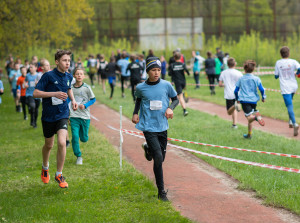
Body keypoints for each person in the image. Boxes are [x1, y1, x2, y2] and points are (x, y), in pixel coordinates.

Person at [132, 56, 179, 201]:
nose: (157, 73)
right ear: (148, 71)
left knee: (161, 158)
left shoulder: (166, 85)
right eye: (153, 70)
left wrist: (171, 108)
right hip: (148, 126)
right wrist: (135, 113)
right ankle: (161, 192)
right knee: (158, 158)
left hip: (162, 125)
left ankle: (148, 148)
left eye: (158, 70)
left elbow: (176, 99)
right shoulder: (140, 87)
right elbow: (139, 99)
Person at [33, 49, 78, 188]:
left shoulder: (69, 76)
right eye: (64, 60)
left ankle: (59, 174)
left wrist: (73, 99)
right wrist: (54, 93)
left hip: (62, 114)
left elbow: (68, 88)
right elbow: (35, 93)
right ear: (57, 62)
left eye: (69, 61)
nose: (67, 63)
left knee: (62, 142)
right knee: (49, 145)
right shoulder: (48, 76)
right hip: (48, 116)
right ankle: (45, 168)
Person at [69, 67, 96, 165]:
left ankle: (83, 135)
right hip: (74, 115)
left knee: (84, 138)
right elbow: (68, 100)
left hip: (85, 116)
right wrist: (68, 113)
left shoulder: (87, 88)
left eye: (81, 74)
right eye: (77, 74)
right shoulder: (70, 88)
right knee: (75, 137)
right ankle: (78, 156)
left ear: (84, 76)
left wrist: (85, 105)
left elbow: (93, 99)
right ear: (74, 76)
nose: (79, 75)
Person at [234, 60, 266, 139]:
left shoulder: (241, 79)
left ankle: (256, 118)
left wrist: (237, 99)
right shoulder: (256, 78)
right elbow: (261, 89)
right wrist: (263, 97)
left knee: (249, 117)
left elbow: (235, 90)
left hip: (245, 100)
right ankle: (249, 134)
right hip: (254, 100)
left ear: (244, 69)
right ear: (253, 69)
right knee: (250, 117)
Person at [275, 46, 300, 136]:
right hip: (293, 86)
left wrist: (280, 74)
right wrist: (297, 73)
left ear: (281, 54)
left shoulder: (278, 63)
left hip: (285, 87)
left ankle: (295, 123)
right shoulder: (293, 61)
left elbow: (276, 76)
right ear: (288, 53)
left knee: (289, 106)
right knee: (290, 103)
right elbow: (299, 68)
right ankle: (290, 121)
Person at [219, 58, 243, 129]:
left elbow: (220, 84)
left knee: (229, 112)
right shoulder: (239, 73)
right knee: (234, 110)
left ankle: (234, 123)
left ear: (227, 64)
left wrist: (224, 84)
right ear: (235, 64)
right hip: (237, 93)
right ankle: (234, 124)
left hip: (229, 94)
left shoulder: (223, 72)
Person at [169, 52, 190, 116]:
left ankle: (185, 110)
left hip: (177, 83)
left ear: (174, 57)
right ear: (180, 57)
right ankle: (184, 96)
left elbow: (169, 74)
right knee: (180, 94)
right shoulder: (183, 64)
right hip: (183, 82)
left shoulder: (172, 65)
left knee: (180, 96)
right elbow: (188, 72)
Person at [26, 63, 40, 128]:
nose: (30, 69)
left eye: (31, 67)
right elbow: (24, 82)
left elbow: (42, 85)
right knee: (32, 106)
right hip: (29, 94)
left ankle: (34, 122)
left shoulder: (38, 75)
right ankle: (32, 119)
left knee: (36, 109)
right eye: (30, 67)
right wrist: (25, 85)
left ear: (35, 68)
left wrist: (37, 84)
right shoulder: (27, 75)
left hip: (37, 94)